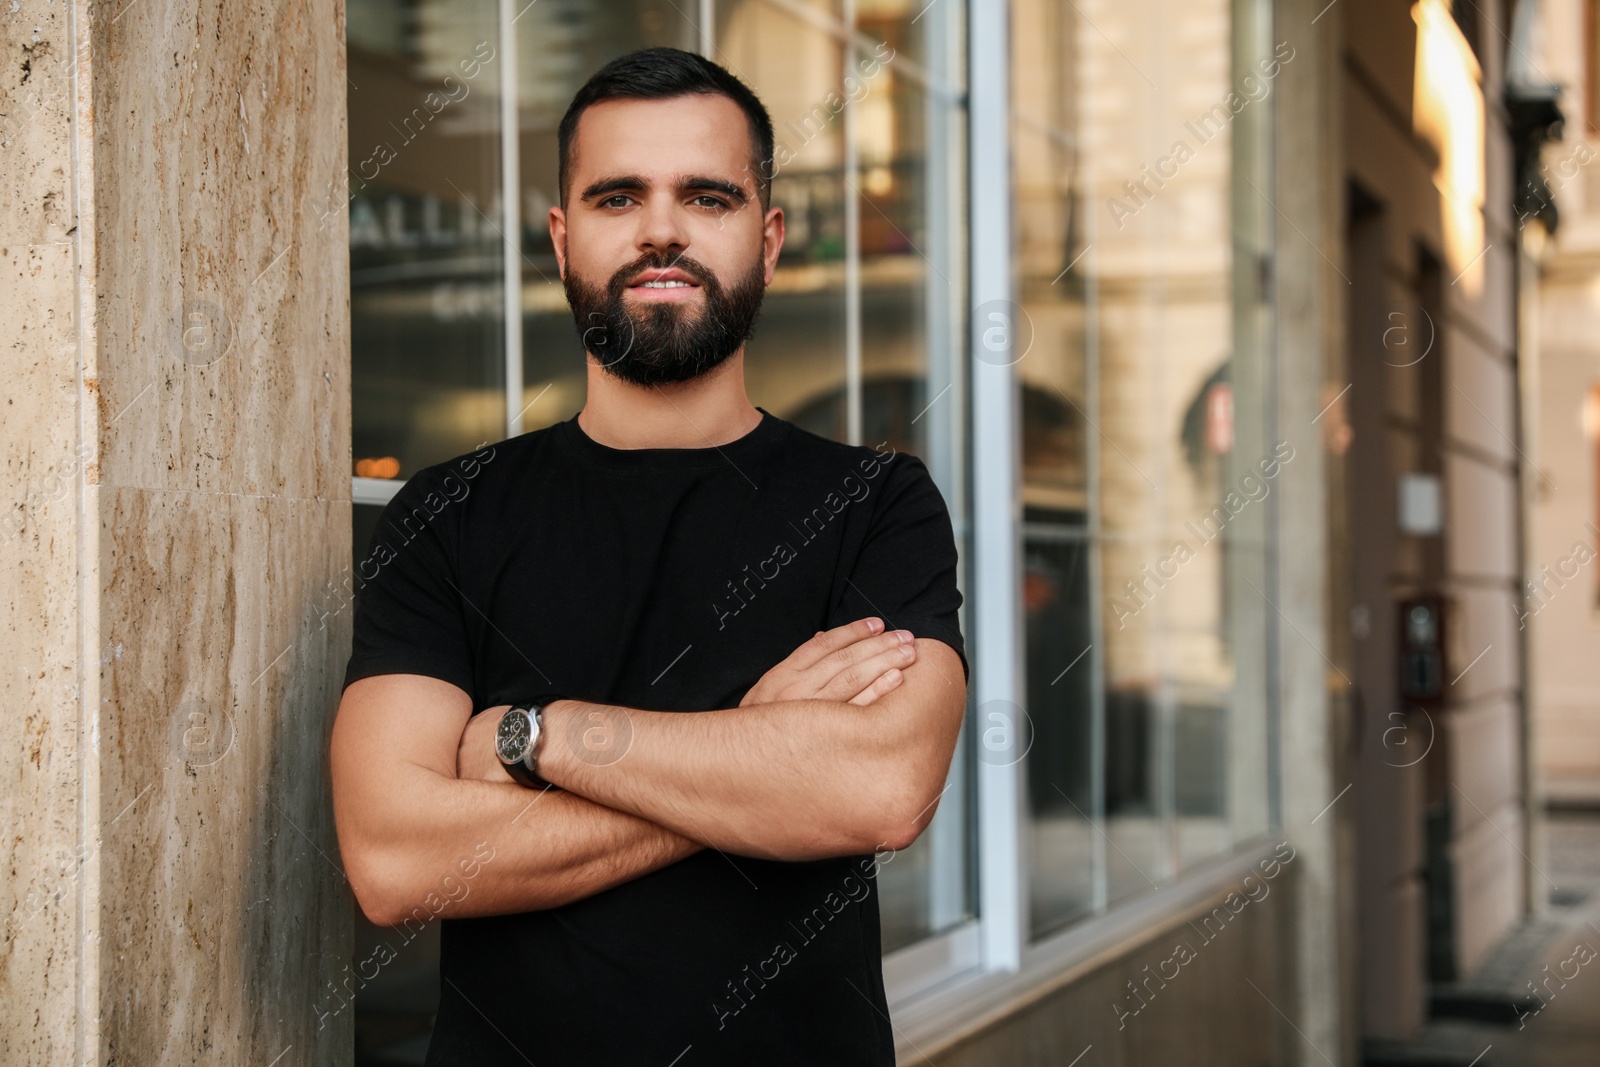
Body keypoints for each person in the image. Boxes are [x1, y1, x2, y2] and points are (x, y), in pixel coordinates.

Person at [329, 46, 968, 1067]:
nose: (661, 228)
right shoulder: (446, 512)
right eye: (618, 195)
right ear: (561, 237)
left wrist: (536, 734)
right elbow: (397, 860)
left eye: (705, 196)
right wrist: (759, 752)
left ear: (767, 241)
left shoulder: (873, 503)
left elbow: (881, 787)